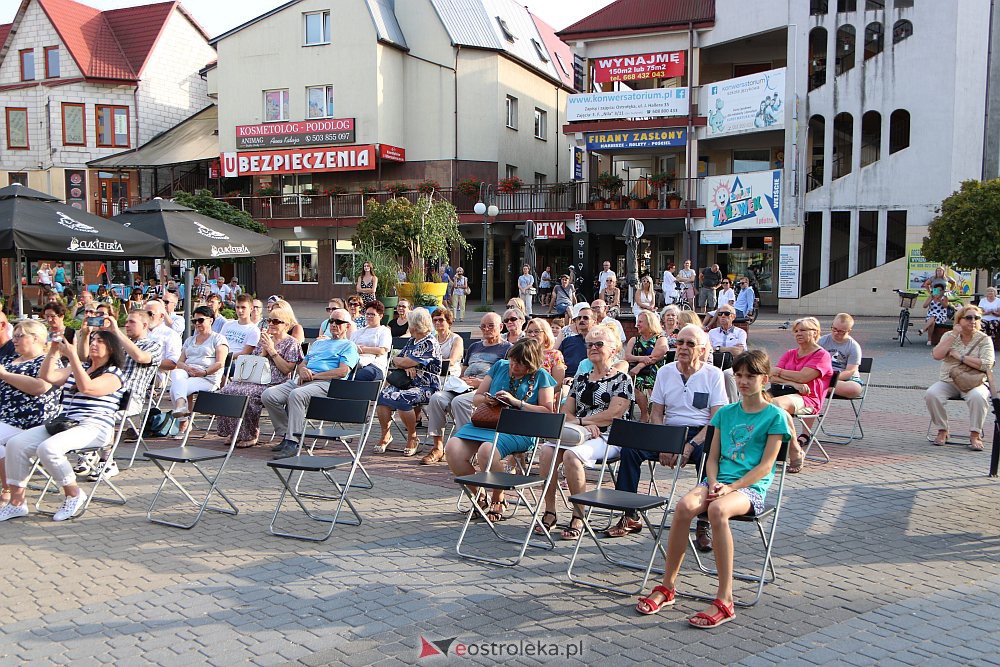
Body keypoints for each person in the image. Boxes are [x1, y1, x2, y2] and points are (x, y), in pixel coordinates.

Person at [636, 350, 792, 628]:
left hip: (749, 488)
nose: (743, 381)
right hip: (718, 482)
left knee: (718, 510)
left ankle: (725, 599)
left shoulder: (775, 417)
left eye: (750, 376)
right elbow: (713, 457)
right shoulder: (726, 413)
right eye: (739, 375)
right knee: (684, 506)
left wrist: (730, 487)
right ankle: (667, 586)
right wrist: (713, 481)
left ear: (765, 379)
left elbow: (766, 467)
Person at [608, 324, 727, 544]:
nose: (682, 347)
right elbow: (657, 413)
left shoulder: (713, 375)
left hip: (701, 432)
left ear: (701, 349)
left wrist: (690, 444)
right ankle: (629, 514)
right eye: (679, 342)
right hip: (669, 430)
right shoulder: (665, 371)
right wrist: (665, 442)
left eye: (690, 344)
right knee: (630, 449)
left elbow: (716, 420)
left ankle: (704, 521)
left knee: (710, 456)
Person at [0, 330, 125, 523]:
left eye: (100, 341)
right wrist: (53, 351)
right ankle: (17, 502)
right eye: (92, 340)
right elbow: (48, 376)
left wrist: (73, 356)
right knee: (16, 444)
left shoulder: (115, 374)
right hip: (65, 424)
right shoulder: (82, 367)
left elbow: (88, 388)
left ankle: (73, 494)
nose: (93, 343)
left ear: (111, 348)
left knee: (48, 448)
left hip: (95, 426)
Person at [535, 325, 634, 539]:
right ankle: (550, 510)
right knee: (546, 451)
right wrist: (583, 424)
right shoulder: (581, 379)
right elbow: (565, 412)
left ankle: (578, 514)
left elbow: (613, 415)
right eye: (589, 344)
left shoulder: (622, 380)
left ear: (614, 348)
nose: (593, 348)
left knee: (572, 456)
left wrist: (581, 420)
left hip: (610, 436)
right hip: (578, 433)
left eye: (599, 344)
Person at [445, 339, 557, 520]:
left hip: (520, 428)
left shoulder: (541, 376)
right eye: (512, 361)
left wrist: (516, 402)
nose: (514, 367)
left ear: (531, 364)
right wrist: (487, 400)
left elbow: (547, 410)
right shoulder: (500, 366)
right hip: (487, 422)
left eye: (520, 364)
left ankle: (499, 497)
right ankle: (479, 495)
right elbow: (477, 398)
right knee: (452, 448)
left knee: (487, 450)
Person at [75, 309, 162, 478]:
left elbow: (140, 357)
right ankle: (89, 451)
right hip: (104, 393)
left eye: (131, 322)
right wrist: (85, 335)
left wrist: (116, 334)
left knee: (103, 413)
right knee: (80, 408)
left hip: (129, 399)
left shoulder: (153, 345)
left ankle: (107, 461)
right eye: (126, 321)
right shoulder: (119, 343)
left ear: (145, 325)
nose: (127, 325)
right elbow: (84, 359)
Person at [264, 308, 360, 458]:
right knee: (269, 395)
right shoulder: (318, 344)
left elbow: (343, 372)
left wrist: (315, 376)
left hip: (327, 383)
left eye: (339, 322)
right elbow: (303, 363)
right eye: (331, 321)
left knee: (297, 395)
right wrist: (302, 370)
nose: (334, 324)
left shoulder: (349, 346)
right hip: (304, 380)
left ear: (347, 326)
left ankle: (293, 442)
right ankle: (286, 433)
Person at [423, 313, 510, 464]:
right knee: (436, 398)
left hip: (485, 389)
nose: (486, 329)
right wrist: (461, 381)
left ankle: (467, 446)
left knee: (459, 402)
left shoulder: (507, 348)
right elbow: (464, 369)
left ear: (501, 327)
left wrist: (480, 383)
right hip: (463, 386)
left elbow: (504, 377)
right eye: (483, 326)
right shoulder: (475, 346)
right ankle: (438, 447)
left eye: (491, 326)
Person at [218, 306, 302, 447]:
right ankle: (235, 432)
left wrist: (271, 350)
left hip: (275, 382)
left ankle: (250, 435)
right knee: (227, 390)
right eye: (269, 320)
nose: (271, 324)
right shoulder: (263, 339)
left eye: (276, 321)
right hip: (255, 378)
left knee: (247, 393)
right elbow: (254, 362)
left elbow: (287, 369)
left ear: (286, 325)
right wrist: (263, 352)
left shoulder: (291, 343)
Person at [0, 321, 62, 510]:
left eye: (20, 336)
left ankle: (8, 490)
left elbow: (39, 387)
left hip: (30, 420)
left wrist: (4, 375)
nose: (14, 340)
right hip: (5, 418)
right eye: (14, 336)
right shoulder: (9, 361)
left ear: (35, 338)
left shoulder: (47, 361)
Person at [925, 305, 994, 450]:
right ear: (959, 320)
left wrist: (960, 357)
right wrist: (953, 335)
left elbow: (987, 364)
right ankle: (943, 431)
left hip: (974, 382)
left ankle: (975, 434)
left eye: (976, 318)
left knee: (978, 397)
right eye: (968, 317)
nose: (973, 321)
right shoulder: (949, 335)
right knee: (932, 394)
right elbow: (937, 355)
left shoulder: (984, 339)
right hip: (949, 381)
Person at [375, 307, 441, 456]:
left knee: (401, 398)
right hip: (406, 381)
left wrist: (405, 362)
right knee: (383, 396)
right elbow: (396, 359)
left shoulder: (429, 342)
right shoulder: (412, 340)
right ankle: (386, 434)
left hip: (427, 386)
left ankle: (412, 436)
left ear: (414, 325)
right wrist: (405, 365)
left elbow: (405, 360)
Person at [770, 317, 834, 473]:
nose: (798, 333)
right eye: (796, 331)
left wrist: (781, 373)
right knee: (755, 403)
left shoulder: (821, 355)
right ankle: (790, 450)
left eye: (803, 330)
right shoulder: (790, 353)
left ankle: (793, 450)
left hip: (808, 400)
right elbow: (771, 376)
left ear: (815, 332)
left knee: (776, 406)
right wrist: (793, 383)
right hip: (786, 393)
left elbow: (804, 377)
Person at [169, 306, 229, 434]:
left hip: (207, 377)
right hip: (188, 374)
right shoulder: (190, 340)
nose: (197, 323)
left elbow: (220, 363)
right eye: (194, 321)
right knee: (177, 373)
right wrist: (186, 367)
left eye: (200, 320)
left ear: (211, 320)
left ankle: (183, 421)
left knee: (176, 388)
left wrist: (204, 372)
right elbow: (179, 362)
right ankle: (182, 410)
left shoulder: (218, 339)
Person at [625, 310, 669, 422]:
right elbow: (628, 357)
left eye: (640, 322)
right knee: (638, 382)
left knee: (648, 381)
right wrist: (642, 358)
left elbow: (657, 355)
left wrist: (639, 366)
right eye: (637, 321)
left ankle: (653, 412)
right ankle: (645, 414)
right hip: (635, 372)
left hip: (653, 370)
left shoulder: (660, 339)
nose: (637, 325)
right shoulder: (634, 339)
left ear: (650, 323)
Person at [818, 313, 864, 399]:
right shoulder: (822, 341)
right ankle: (823, 387)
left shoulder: (853, 346)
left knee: (854, 389)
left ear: (848, 331)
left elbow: (850, 372)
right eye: (834, 328)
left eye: (840, 331)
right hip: (824, 376)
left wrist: (831, 379)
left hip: (845, 379)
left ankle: (823, 388)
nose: (835, 333)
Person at [708, 305, 748, 402]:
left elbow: (738, 351)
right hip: (715, 363)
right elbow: (709, 349)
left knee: (727, 374)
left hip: (735, 364)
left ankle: (733, 405)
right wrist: (730, 349)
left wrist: (718, 348)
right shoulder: (712, 333)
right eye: (720, 314)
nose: (722, 316)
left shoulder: (740, 333)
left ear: (733, 317)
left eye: (726, 314)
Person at [351, 300, 392, 383]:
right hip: (356, 362)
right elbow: (350, 347)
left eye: (372, 314)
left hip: (375, 365)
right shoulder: (358, 332)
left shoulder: (384, 331)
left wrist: (362, 349)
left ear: (381, 316)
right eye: (367, 314)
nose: (369, 316)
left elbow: (381, 350)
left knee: (359, 375)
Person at [524, 318, 566, 389]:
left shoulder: (554, 355)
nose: (532, 334)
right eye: (529, 332)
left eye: (537, 331)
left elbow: (557, 384)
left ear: (546, 334)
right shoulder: (522, 353)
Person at [143, 298, 182, 373]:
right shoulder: (140, 332)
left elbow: (173, 363)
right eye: (144, 314)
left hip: (156, 375)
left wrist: (146, 361)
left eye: (150, 314)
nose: (146, 317)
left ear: (161, 316)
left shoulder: (170, 334)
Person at [219, 294, 261, 358]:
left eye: (243, 307)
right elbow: (218, 343)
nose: (240, 311)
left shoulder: (254, 330)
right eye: (237, 307)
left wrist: (224, 357)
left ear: (251, 308)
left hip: (236, 362)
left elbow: (245, 353)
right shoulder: (228, 324)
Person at [558, 304, 593, 377]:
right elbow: (557, 360)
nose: (581, 320)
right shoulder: (568, 341)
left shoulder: (598, 344)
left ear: (594, 321)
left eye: (585, 318)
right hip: (565, 380)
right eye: (579, 318)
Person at [432, 307, 463, 380]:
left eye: (441, 320)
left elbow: (452, 361)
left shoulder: (456, 339)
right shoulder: (432, 339)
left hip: (451, 374)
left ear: (448, 322)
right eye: (435, 320)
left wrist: (430, 362)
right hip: (434, 373)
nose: (437, 322)